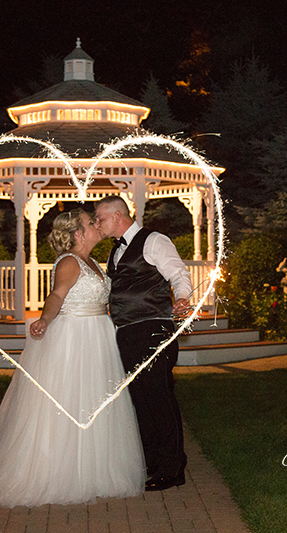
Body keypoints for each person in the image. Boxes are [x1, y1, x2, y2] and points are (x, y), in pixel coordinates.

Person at [0, 209, 145, 507]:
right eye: (90, 222)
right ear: (77, 234)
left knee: (94, 400)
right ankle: (57, 472)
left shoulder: (92, 262)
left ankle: (94, 469)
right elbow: (57, 295)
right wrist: (45, 319)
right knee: (70, 400)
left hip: (98, 336)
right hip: (75, 339)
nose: (96, 224)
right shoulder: (70, 262)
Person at [94, 196, 192, 492]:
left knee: (159, 398)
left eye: (100, 218)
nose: (97, 224)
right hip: (126, 333)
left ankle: (173, 469)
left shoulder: (153, 241)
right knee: (140, 401)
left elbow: (179, 273)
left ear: (116, 215)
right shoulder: (115, 252)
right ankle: (153, 463)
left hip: (152, 329)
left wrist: (183, 297)